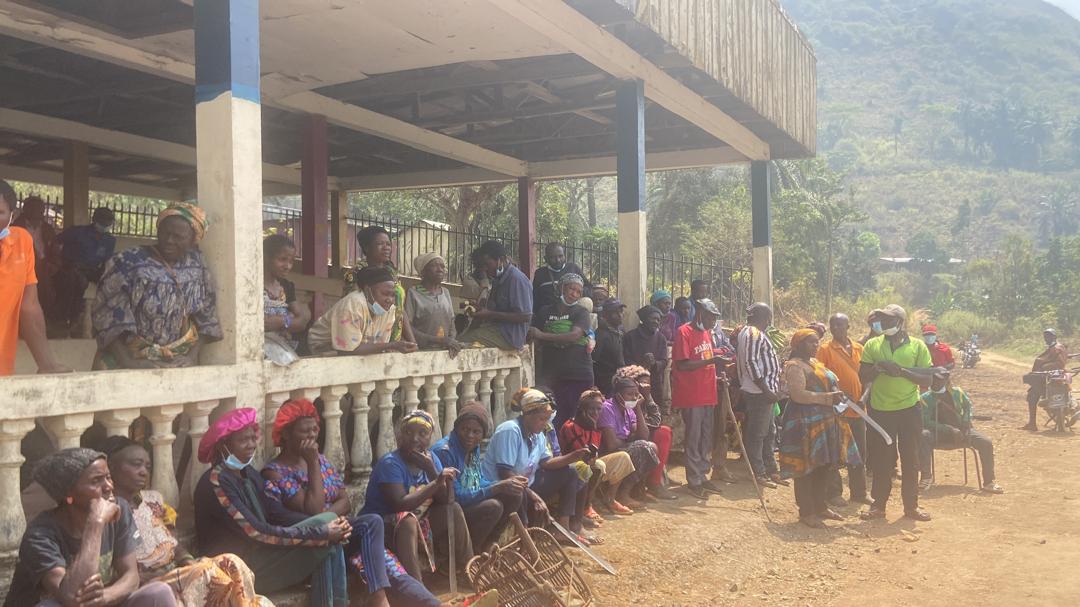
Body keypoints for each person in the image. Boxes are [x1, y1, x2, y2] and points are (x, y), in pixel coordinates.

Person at [263, 400, 442, 607]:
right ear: (285, 434)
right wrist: (312, 465)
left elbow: (345, 501)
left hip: (342, 533)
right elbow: (313, 510)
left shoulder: (320, 460)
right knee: (371, 523)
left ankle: (433, 604)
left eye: (314, 430)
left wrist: (336, 521)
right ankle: (381, 600)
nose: (312, 436)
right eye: (305, 432)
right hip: (314, 540)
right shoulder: (276, 471)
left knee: (388, 566)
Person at [193, 408, 353, 605]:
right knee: (324, 541)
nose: (251, 445)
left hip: (261, 553)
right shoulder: (217, 481)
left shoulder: (248, 473)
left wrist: (329, 525)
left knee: (329, 527)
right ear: (224, 445)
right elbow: (256, 532)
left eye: (253, 438)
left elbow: (275, 514)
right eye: (243, 440)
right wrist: (320, 532)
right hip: (237, 569)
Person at [101, 436, 265, 606]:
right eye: (136, 464)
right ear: (111, 467)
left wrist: (188, 561)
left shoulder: (152, 501)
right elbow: (115, 570)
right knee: (209, 574)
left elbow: (173, 543)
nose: (143, 471)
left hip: (176, 572)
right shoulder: (108, 512)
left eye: (147, 467)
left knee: (231, 562)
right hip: (151, 582)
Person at [5, 447, 176, 607]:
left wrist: (105, 597)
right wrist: (96, 523)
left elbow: (131, 576)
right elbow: (72, 597)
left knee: (158, 592)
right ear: (68, 495)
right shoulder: (40, 534)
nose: (109, 487)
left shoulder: (120, 509)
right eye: (96, 481)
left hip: (99, 603)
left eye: (108, 477)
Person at [92, 203, 222, 369]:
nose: (169, 240)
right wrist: (128, 362)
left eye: (178, 236)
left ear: (192, 240)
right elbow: (105, 316)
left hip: (174, 363)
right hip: (125, 361)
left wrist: (190, 357)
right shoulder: (128, 261)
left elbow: (207, 316)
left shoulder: (197, 266)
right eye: (165, 233)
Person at [360, 410, 472, 583]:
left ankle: (468, 571)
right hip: (385, 526)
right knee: (408, 520)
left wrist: (430, 470)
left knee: (454, 510)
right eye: (408, 432)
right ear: (399, 437)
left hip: (419, 522)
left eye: (422, 433)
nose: (414, 439)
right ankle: (417, 588)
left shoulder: (431, 459)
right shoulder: (390, 463)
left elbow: (447, 500)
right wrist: (436, 482)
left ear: (430, 438)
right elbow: (399, 505)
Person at [858, 304, 935, 522]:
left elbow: (927, 379)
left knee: (910, 459)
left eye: (890, 321)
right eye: (883, 321)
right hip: (880, 411)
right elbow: (863, 375)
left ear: (901, 323)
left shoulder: (918, 347)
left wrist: (901, 371)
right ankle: (878, 506)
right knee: (882, 461)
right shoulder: (873, 345)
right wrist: (879, 367)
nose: (885, 325)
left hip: (909, 410)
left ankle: (911, 507)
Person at [779, 329, 861, 528]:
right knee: (806, 466)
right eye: (810, 342)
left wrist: (838, 395)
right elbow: (798, 395)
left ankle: (820, 506)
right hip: (804, 421)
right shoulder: (794, 366)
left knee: (823, 463)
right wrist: (826, 398)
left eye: (817, 342)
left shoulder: (815, 363)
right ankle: (806, 511)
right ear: (798, 345)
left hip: (824, 420)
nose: (815, 346)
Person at [483, 389, 587, 531]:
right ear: (528, 415)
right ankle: (525, 535)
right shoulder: (510, 430)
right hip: (503, 486)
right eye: (542, 419)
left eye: (547, 419)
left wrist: (574, 456)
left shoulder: (537, 435)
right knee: (517, 488)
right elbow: (505, 473)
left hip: (527, 484)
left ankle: (563, 528)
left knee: (571, 472)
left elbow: (546, 462)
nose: (545, 423)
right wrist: (535, 496)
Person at [432, 403, 527, 552]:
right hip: (449, 509)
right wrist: (495, 488)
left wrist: (503, 484)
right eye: (465, 429)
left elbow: (478, 480)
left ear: (483, 434)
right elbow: (455, 497)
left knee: (514, 494)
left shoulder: (472, 448)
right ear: (456, 428)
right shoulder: (445, 451)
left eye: (476, 432)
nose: (470, 435)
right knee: (493, 507)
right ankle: (468, 554)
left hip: (468, 500)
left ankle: (490, 543)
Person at [0, 180, 68, 375]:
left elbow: (29, 307)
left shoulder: (21, 242)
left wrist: (47, 364)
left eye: (0, 213)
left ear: (12, 216)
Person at [816, 313, 873, 507]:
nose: (837, 329)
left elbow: (867, 377)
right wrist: (836, 393)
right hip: (837, 409)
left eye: (841, 325)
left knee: (860, 453)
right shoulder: (824, 350)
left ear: (848, 326)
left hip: (858, 409)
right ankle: (834, 493)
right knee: (836, 453)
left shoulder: (860, 348)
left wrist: (864, 397)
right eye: (833, 325)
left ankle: (859, 492)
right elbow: (820, 376)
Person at [671, 298, 726, 499]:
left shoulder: (706, 333)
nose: (714, 322)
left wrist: (717, 368)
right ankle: (694, 480)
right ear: (701, 313)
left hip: (708, 393)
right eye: (712, 318)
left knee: (706, 437)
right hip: (691, 395)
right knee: (693, 438)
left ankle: (703, 475)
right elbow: (683, 364)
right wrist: (712, 360)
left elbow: (705, 361)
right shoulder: (683, 332)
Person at [917, 371, 1004, 494]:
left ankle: (989, 482)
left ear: (947, 381)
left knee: (986, 443)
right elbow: (925, 421)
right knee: (923, 435)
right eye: (933, 379)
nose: (935, 382)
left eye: (939, 380)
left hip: (962, 430)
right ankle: (926, 476)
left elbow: (968, 407)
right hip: (937, 433)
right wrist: (949, 429)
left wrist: (965, 422)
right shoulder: (925, 398)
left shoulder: (958, 392)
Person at [529, 273, 594, 430]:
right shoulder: (545, 311)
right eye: (572, 289)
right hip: (552, 375)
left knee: (574, 420)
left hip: (577, 375)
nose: (574, 294)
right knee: (552, 419)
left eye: (579, 292)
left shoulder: (581, 312)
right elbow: (534, 336)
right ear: (561, 288)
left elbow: (575, 335)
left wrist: (543, 335)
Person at [308, 266, 418, 356]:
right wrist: (392, 345)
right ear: (367, 290)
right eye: (385, 294)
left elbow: (378, 347)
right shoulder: (352, 305)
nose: (390, 300)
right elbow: (348, 350)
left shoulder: (390, 310)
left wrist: (390, 346)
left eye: (393, 295)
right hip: (321, 349)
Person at [559, 389, 637, 516]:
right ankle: (587, 506)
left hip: (590, 461)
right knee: (597, 466)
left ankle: (609, 499)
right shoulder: (571, 426)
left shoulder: (594, 425)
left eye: (599, 409)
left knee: (623, 457)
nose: (596, 412)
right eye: (591, 409)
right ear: (582, 409)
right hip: (572, 465)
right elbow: (581, 456)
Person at [735, 303, 786, 488]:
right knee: (757, 434)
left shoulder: (752, 333)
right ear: (764, 317)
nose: (769, 322)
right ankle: (758, 472)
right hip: (759, 393)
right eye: (769, 317)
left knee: (769, 432)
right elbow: (751, 362)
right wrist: (767, 390)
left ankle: (771, 469)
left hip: (766, 392)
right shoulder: (752, 334)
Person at [597, 377, 670, 506]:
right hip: (606, 454)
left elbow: (643, 435)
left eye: (636, 394)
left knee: (651, 446)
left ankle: (629, 491)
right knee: (641, 447)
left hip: (622, 448)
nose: (633, 398)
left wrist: (638, 409)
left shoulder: (629, 410)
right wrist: (629, 440)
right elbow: (611, 444)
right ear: (618, 395)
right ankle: (620, 495)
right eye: (629, 394)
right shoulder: (607, 408)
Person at [612, 365, 676, 499]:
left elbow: (656, 421)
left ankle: (654, 483)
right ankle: (629, 491)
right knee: (654, 439)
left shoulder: (641, 398)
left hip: (641, 435)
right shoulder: (618, 403)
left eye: (648, 383)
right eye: (642, 383)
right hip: (624, 442)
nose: (646, 386)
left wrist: (648, 398)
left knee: (664, 432)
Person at [52, 207, 116, 336]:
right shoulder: (77, 232)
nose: (104, 226)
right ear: (94, 220)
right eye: (102, 222)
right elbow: (56, 242)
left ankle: (109, 325)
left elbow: (107, 261)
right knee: (76, 281)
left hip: (93, 270)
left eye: (108, 223)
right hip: (71, 267)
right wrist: (57, 261)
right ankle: (67, 318)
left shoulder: (110, 240)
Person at [458, 240, 532, 350]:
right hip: (496, 329)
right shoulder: (498, 278)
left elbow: (525, 316)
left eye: (487, 265)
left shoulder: (516, 279)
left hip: (508, 336)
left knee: (461, 341)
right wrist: (479, 308)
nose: (485, 269)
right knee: (461, 338)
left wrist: (490, 314)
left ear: (501, 260)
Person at [345, 225, 414, 343]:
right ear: (367, 247)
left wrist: (412, 340)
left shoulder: (391, 271)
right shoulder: (356, 274)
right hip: (368, 339)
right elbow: (355, 309)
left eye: (388, 244)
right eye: (380, 244)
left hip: (393, 337)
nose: (386, 248)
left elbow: (400, 308)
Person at [406, 252, 463, 356]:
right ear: (423, 272)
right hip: (422, 352)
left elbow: (451, 322)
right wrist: (438, 340)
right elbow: (407, 327)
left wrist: (451, 341)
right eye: (434, 265)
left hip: (445, 352)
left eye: (442, 266)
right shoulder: (413, 293)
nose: (440, 269)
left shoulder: (445, 292)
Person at [12, 196, 59, 312]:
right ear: (26, 210)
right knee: (40, 279)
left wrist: (55, 264)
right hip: (24, 265)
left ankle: (57, 317)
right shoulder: (16, 228)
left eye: (40, 209)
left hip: (46, 264)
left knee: (69, 278)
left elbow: (55, 250)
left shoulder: (47, 229)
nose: (38, 212)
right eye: (34, 208)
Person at [263, 234, 310, 350]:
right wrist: (290, 318)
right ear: (266, 257)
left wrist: (281, 321)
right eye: (282, 259)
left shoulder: (286, 286)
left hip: (281, 346)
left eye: (291, 261)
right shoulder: (251, 286)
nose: (288, 266)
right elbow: (261, 323)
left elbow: (301, 321)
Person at [1024, 328, 1070, 431]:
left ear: (1054, 337)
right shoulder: (1057, 347)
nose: (1046, 338)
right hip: (1054, 376)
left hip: (1051, 376)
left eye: (1049, 336)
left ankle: (1032, 424)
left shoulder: (1056, 347)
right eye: (1045, 336)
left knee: (1032, 395)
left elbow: (1057, 362)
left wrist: (1043, 366)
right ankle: (1032, 423)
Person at [623, 305, 670, 400]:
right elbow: (625, 359)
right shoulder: (630, 337)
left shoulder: (661, 338)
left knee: (654, 411)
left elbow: (664, 361)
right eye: (653, 319)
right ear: (643, 319)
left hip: (655, 382)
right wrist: (641, 365)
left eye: (658, 319)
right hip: (633, 382)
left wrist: (654, 363)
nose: (656, 322)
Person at [532, 243, 589, 313]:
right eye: (552, 257)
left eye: (560, 256)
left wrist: (575, 293)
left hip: (573, 311)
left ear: (565, 256)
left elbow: (589, 288)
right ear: (545, 258)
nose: (558, 260)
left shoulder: (573, 268)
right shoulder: (540, 273)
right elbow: (535, 298)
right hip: (549, 313)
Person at [592, 298, 627, 394]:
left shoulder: (621, 331)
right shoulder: (601, 335)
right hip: (605, 382)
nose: (620, 315)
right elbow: (593, 360)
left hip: (620, 378)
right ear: (606, 315)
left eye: (621, 312)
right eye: (615, 313)